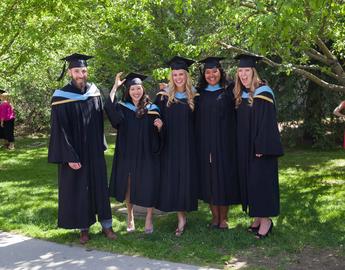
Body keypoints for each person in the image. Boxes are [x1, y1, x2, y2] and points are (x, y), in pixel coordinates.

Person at [48, 53, 116, 244]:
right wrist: (69, 155)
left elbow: (100, 121)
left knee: (100, 187)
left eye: (83, 70)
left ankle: (107, 225)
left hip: (94, 152)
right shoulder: (61, 97)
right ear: (70, 72)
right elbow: (59, 130)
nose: (81, 74)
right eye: (77, 71)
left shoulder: (93, 92)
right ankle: (83, 228)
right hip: (75, 153)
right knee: (80, 189)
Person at [105, 72, 163, 234]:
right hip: (128, 153)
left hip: (148, 153)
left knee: (150, 184)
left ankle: (149, 218)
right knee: (129, 185)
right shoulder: (123, 108)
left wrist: (160, 128)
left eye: (138, 88)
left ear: (143, 90)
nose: (136, 92)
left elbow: (162, 133)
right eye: (132, 89)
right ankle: (129, 216)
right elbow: (109, 108)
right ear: (128, 91)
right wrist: (115, 87)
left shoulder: (153, 110)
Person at [234, 54, 283, 239]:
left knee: (261, 182)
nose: (243, 74)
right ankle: (257, 217)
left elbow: (267, 123)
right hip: (245, 147)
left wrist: (262, 146)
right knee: (250, 182)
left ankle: (266, 221)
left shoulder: (263, 92)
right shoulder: (242, 93)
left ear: (254, 72)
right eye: (240, 71)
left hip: (260, 148)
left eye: (247, 70)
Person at [154, 56, 198, 236]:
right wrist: (159, 125)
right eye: (175, 74)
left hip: (188, 146)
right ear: (171, 76)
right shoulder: (164, 97)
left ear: (186, 76)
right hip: (170, 146)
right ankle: (181, 218)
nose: (178, 77)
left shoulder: (195, 96)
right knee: (174, 180)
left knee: (185, 180)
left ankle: (184, 216)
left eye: (181, 74)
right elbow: (155, 116)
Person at [194, 57, 240, 229]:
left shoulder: (230, 91)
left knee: (224, 180)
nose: (211, 75)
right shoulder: (199, 93)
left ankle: (224, 218)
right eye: (207, 72)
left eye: (214, 71)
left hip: (226, 144)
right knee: (210, 181)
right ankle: (214, 217)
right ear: (203, 74)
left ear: (220, 72)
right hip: (205, 144)